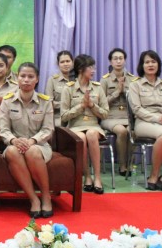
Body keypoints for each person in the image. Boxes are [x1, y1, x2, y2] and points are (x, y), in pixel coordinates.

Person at [0, 62, 54, 218]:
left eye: (30, 76)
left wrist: (33, 141)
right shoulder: (7, 101)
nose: (26, 80)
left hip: (39, 145)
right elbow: (3, 129)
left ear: (37, 79)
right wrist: (13, 140)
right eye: (23, 76)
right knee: (11, 151)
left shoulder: (45, 101)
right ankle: (33, 199)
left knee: (32, 152)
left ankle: (46, 196)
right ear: (17, 78)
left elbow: (48, 129)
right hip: (16, 144)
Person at [127, 50, 162, 191]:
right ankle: (153, 175)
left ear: (158, 65)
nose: (150, 65)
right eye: (147, 62)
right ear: (142, 65)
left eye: (153, 62)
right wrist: (158, 119)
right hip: (144, 122)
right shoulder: (135, 85)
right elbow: (137, 109)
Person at [61, 54, 109, 194]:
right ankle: (87, 176)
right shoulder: (68, 88)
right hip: (75, 126)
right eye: (90, 67)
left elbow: (105, 113)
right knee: (81, 137)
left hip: (94, 125)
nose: (93, 70)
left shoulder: (98, 88)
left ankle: (97, 177)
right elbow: (64, 116)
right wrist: (81, 106)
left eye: (93, 67)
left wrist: (92, 105)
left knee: (91, 134)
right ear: (80, 69)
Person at [100, 48, 135, 177]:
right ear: (111, 61)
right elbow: (101, 103)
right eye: (115, 59)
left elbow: (136, 101)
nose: (118, 61)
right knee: (122, 131)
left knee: (133, 131)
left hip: (128, 115)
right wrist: (117, 92)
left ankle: (130, 163)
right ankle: (122, 165)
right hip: (110, 116)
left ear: (125, 60)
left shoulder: (133, 79)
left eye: (121, 58)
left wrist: (125, 91)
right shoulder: (105, 80)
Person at [44, 50, 74, 128]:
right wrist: (67, 104)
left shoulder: (79, 80)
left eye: (68, 61)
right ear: (58, 64)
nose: (65, 64)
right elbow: (49, 103)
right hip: (58, 116)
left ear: (73, 62)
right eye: (62, 62)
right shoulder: (52, 80)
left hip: (76, 116)